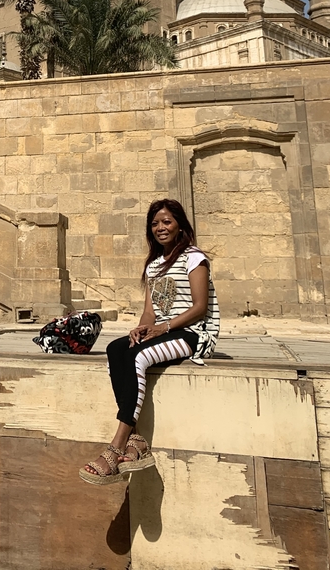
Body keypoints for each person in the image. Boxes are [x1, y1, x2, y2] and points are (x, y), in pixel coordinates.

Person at [79, 198, 219, 486]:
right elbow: (150, 310)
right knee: (117, 349)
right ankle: (138, 439)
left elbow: (199, 306)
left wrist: (163, 327)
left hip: (193, 334)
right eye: (155, 223)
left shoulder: (194, 258)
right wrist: (142, 329)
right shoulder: (154, 265)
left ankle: (117, 445)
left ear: (180, 225)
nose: (160, 228)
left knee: (138, 358)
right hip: (164, 331)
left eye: (166, 221)